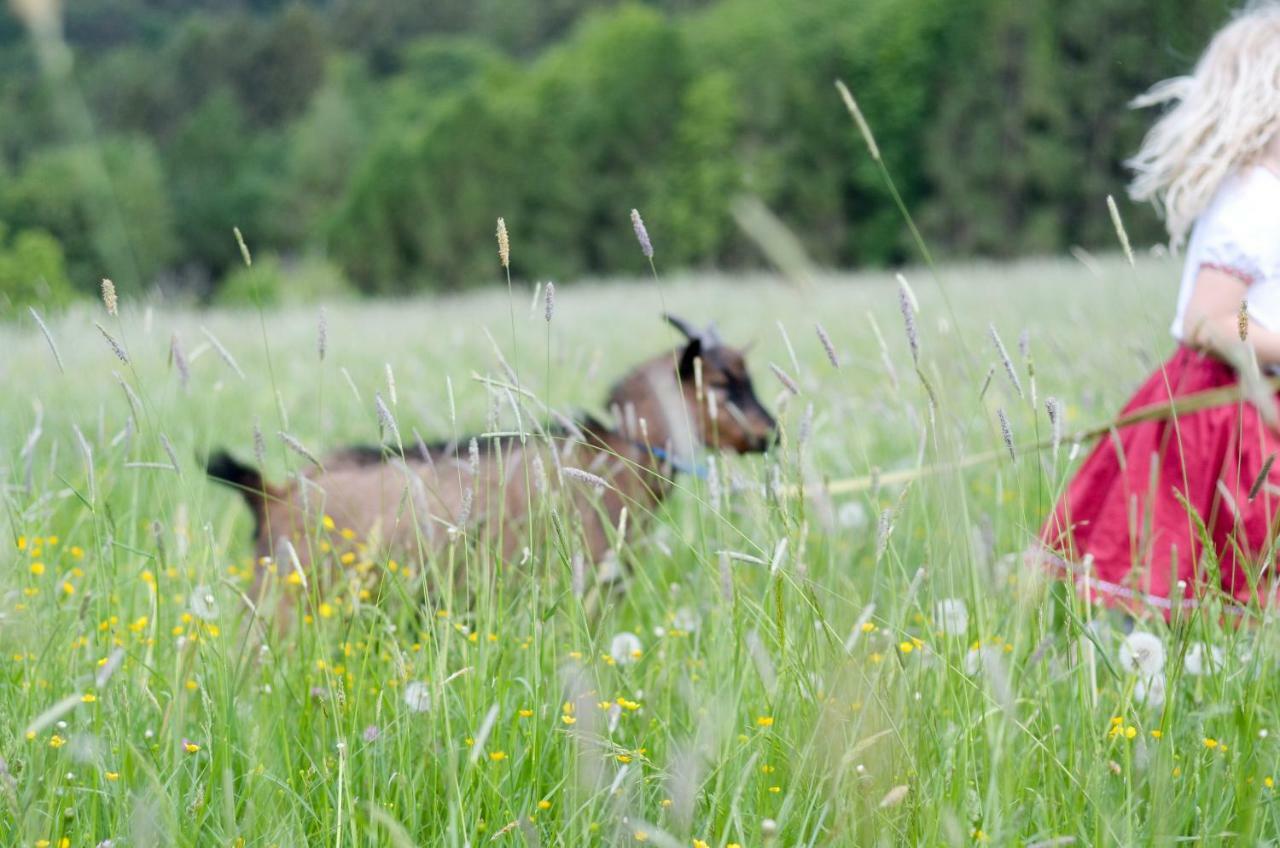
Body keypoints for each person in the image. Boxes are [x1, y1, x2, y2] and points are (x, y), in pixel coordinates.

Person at [1040, 4, 1280, 611]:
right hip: (1226, 407)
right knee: (1205, 575)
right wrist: (1265, 338)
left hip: (1254, 392)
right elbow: (1215, 320)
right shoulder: (1252, 201)